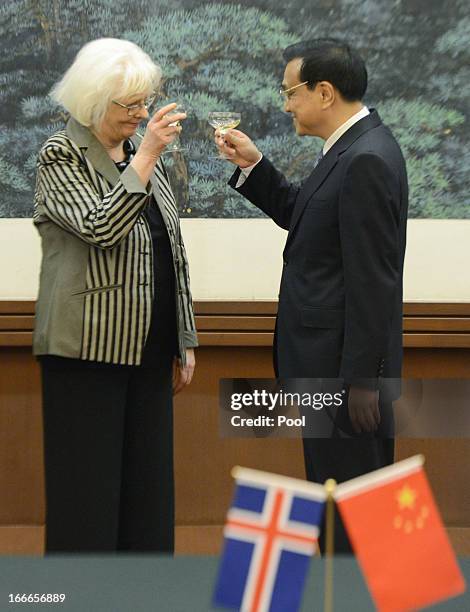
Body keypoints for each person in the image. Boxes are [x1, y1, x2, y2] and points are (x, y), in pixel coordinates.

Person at [215, 38, 408, 552]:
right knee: (339, 504)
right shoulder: (351, 148)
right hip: (335, 371)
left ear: (324, 92)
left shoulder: (366, 157)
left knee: (354, 514)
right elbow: (308, 217)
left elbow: (374, 280)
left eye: (290, 91)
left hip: (346, 380)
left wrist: (362, 383)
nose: (285, 104)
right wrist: (256, 167)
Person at [33, 38, 198, 553]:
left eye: (145, 103)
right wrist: (147, 154)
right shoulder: (60, 155)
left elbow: (170, 246)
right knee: (86, 500)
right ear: (93, 101)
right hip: (85, 351)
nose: (142, 115)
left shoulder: (138, 154)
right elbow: (100, 227)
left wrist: (183, 337)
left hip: (147, 349)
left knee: (148, 499)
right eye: (130, 106)